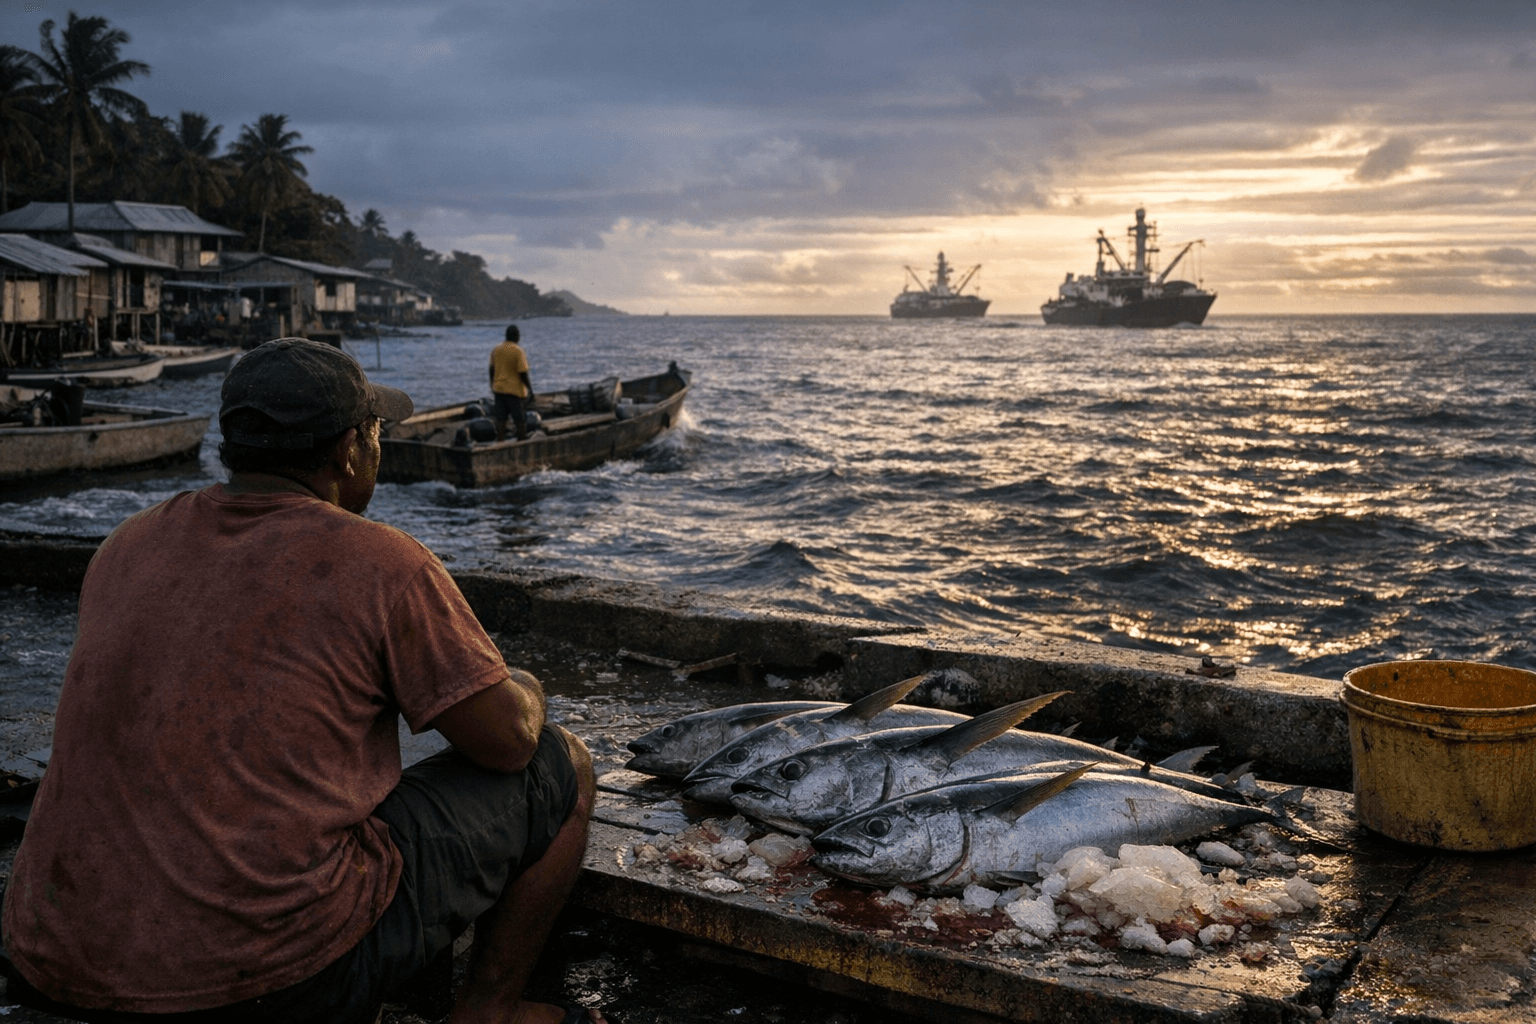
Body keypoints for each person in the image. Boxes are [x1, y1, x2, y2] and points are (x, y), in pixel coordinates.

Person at [1, 338, 606, 1024]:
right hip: (267, 981)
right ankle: (489, 1010)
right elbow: (510, 744)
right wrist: (523, 685)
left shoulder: (128, 544)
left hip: (47, 954)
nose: (380, 448)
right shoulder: (381, 563)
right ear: (350, 451)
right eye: (378, 433)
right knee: (564, 763)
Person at [490, 324, 533, 442]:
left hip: (498, 390)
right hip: (514, 391)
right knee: (519, 420)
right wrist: (530, 390)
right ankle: (522, 442)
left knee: (501, 420)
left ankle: (500, 443)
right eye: (518, 335)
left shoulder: (496, 349)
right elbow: (523, 374)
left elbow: (491, 369)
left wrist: (491, 384)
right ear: (516, 336)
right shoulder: (518, 351)